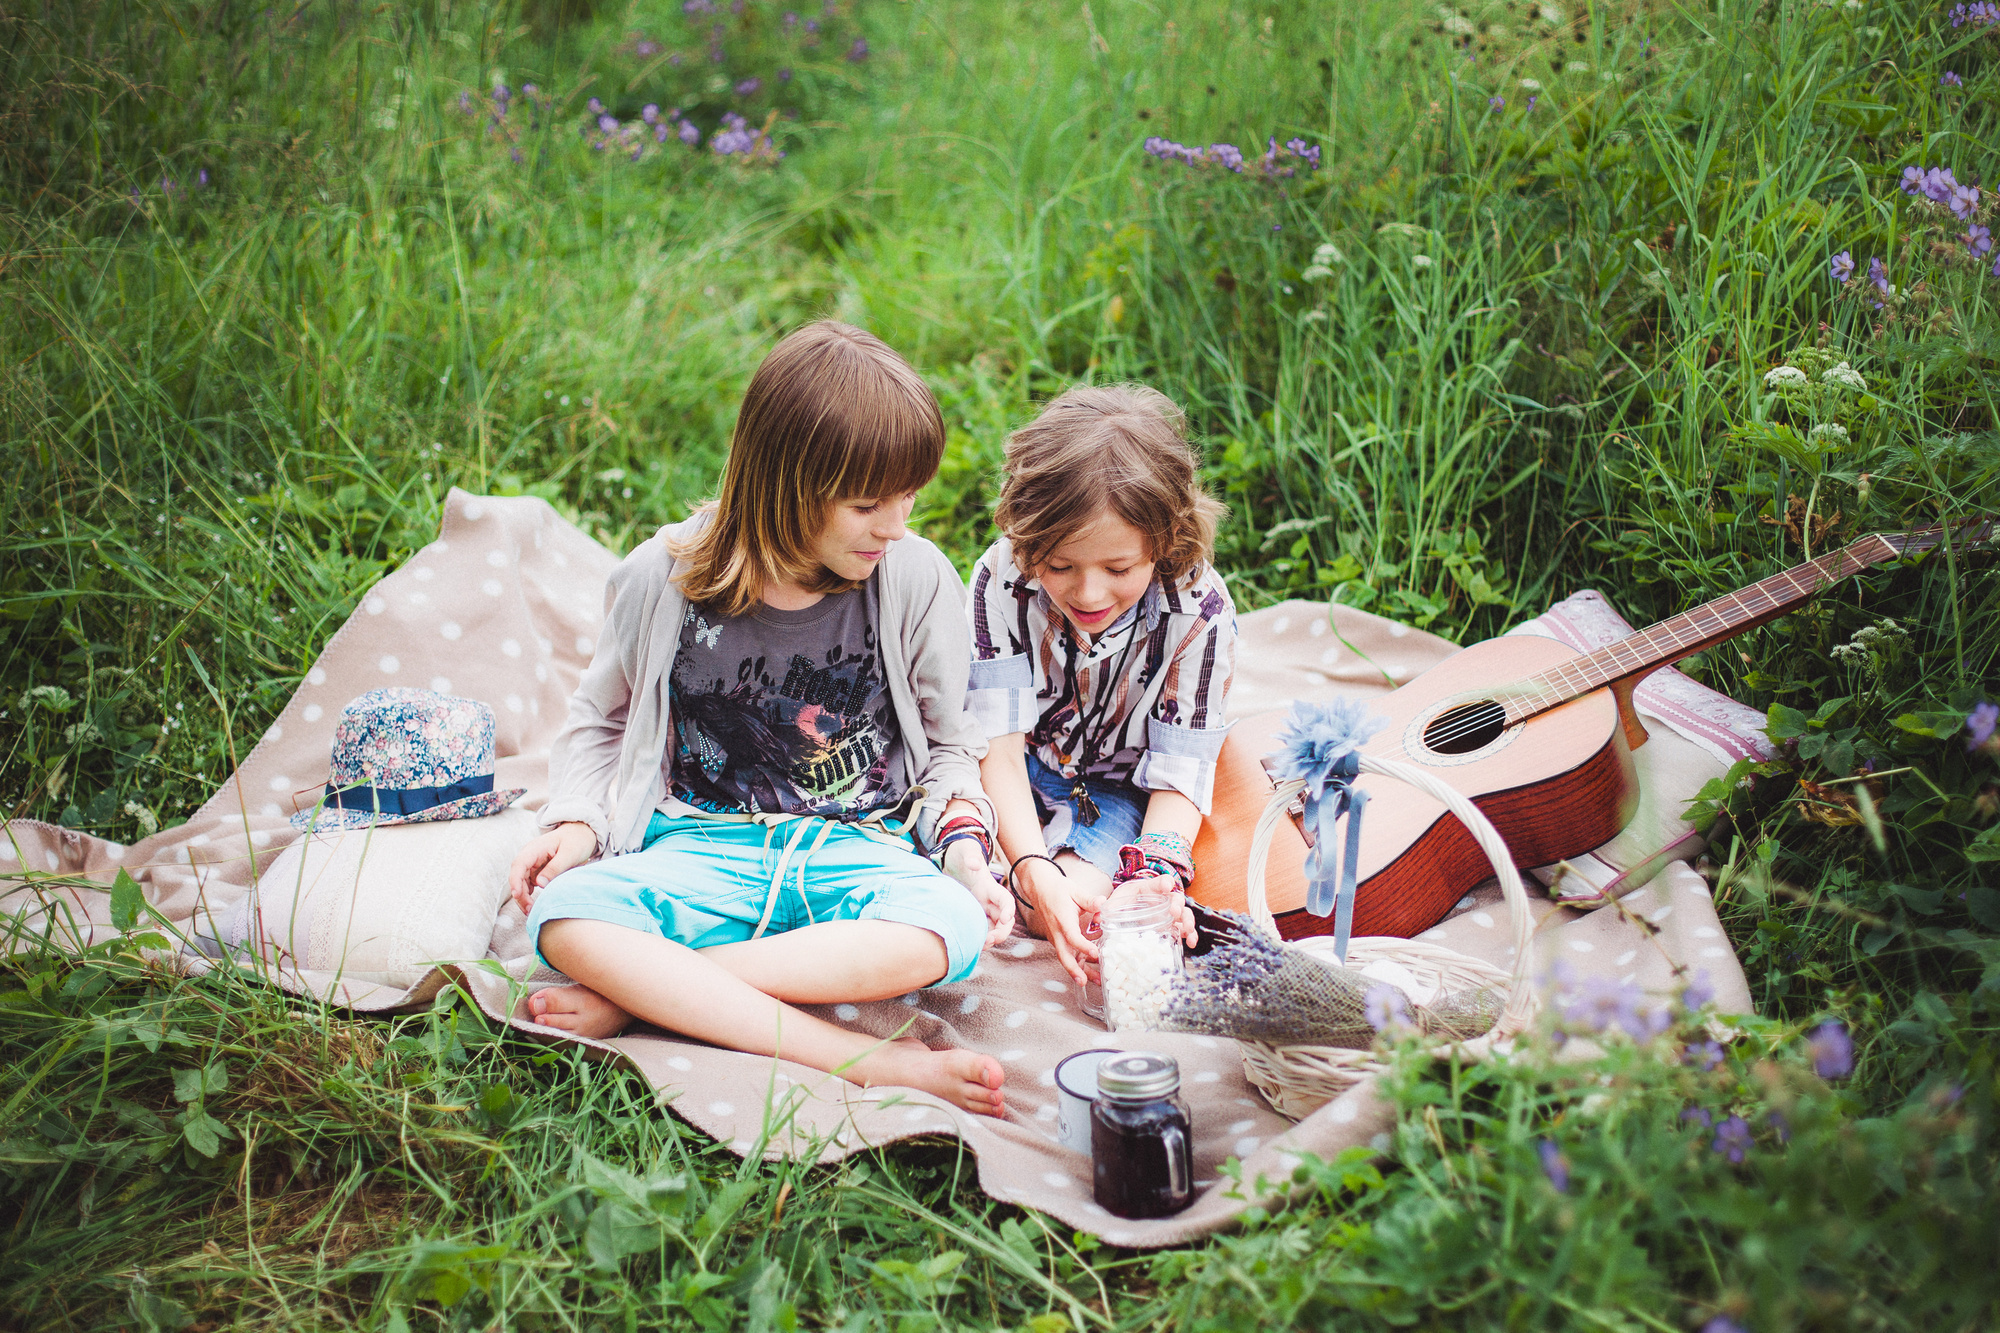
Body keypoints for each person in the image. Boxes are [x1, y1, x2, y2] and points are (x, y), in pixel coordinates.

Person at [509, 322, 1012, 1116]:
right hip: (704, 842)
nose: (896, 525)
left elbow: (952, 743)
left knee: (948, 927)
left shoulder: (913, 578)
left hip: (858, 844)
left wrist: (966, 850)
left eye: (909, 497)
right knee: (563, 916)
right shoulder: (661, 578)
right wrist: (577, 822)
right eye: (867, 503)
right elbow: (600, 721)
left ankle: (657, 991)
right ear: (784, 484)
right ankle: (870, 1062)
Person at [967, 383, 1236, 986]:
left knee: (1074, 907)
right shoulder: (1001, 581)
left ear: (1163, 543)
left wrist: (1151, 878)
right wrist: (1029, 863)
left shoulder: (1200, 613)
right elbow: (997, 752)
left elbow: (1180, 773)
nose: (1089, 595)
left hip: (1117, 790)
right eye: (1059, 566)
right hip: (1009, 768)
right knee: (966, 874)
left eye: (1119, 569)